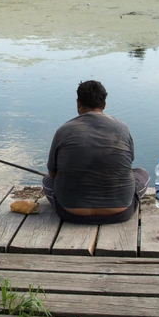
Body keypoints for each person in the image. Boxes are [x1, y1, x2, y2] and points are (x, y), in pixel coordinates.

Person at [42, 80, 149, 224]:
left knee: (47, 180)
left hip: (70, 213)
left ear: (78, 103)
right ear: (104, 104)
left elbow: (53, 174)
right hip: (120, 213)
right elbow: (127, 166)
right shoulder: (122, 128)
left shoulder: (64, 130)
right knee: (142, 173)